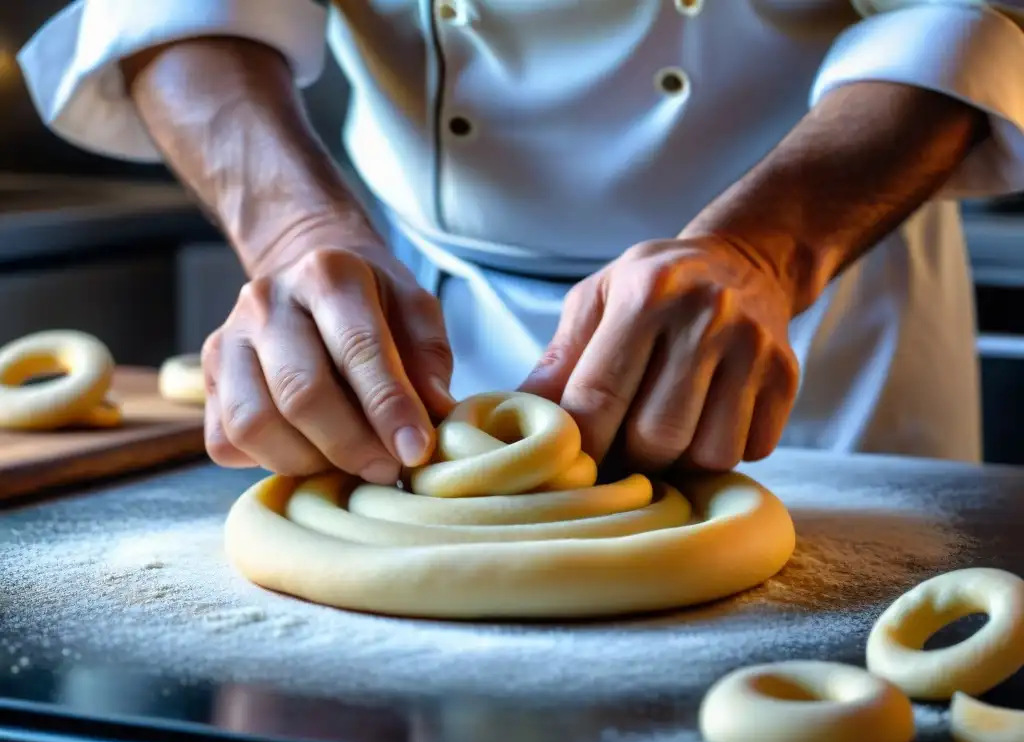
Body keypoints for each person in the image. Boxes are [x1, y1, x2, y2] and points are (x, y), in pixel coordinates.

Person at [18, 1, 1024, 483]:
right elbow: (175, 9)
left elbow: (967, 18)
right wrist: (295, 235)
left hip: (808, 307)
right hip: (419, 318)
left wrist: (760, 255)